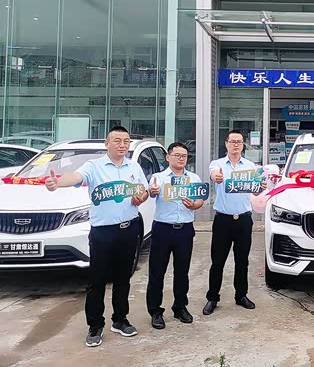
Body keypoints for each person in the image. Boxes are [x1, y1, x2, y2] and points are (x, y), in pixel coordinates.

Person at [45, 126, 149, 348]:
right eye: (117, 140)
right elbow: (76, 177)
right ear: (107, 143)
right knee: (97, 280)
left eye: (126, 141)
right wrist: (57, 182)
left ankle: (120, 319)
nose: (122, 145)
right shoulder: (94, 166)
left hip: (129, 228)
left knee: (123, 278)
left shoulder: (134, 166)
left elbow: (144, 189)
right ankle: (95, 325)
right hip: (103, 232)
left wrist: (141, 196)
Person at [203, 130, 264, 315]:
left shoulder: (251, 167)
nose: (236, 145)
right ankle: (212, 297)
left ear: (243, 145)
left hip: (244, 220)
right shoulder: (217, 164)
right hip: (223, 220)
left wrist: (260, 187)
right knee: (217, 261)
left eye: (239, 142)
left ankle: (241, 295)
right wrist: (217, 177)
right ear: (226, 144)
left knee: (242, 260)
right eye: (233, 141)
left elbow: (255, 191)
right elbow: (214, 175)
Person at [146, 142, 205, 329]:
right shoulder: (159, 178)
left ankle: (180, 307)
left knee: (182, 271)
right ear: (168, 157)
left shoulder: (193, 178)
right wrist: (152, 191)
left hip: (185, 229)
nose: (181, 159)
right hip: (163, 229)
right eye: (177, 155)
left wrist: (194, 205)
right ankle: (155, 311)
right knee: (157, 272)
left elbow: (200, 200)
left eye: (184, 156)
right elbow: (151, 192)